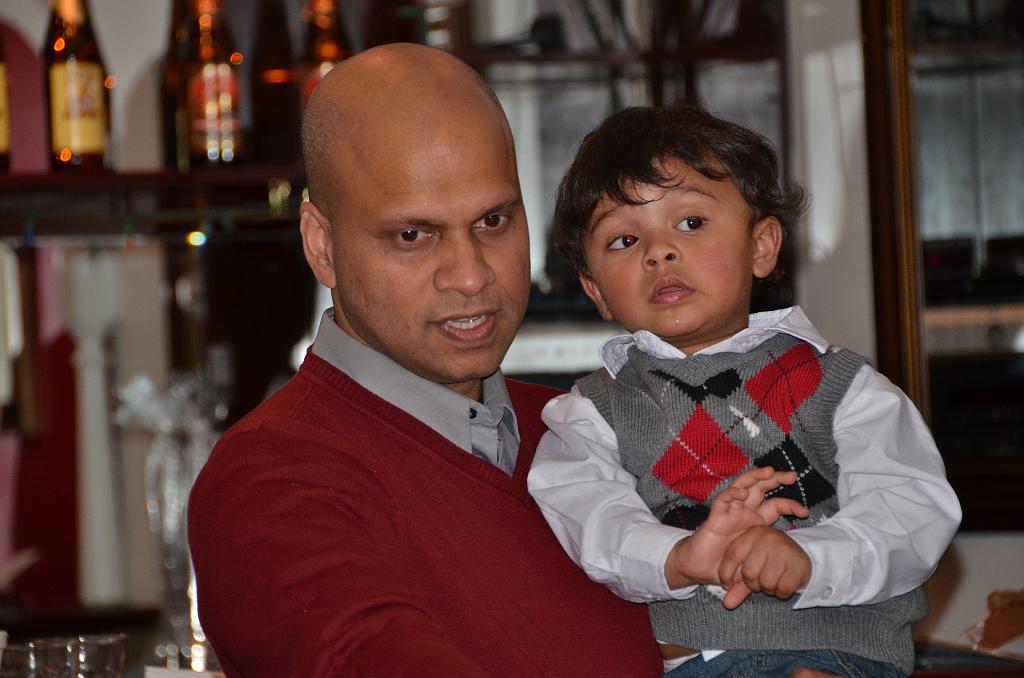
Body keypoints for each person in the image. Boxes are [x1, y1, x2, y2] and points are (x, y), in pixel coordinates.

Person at [187, 43, 664, 677]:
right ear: (321, 245)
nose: (470, 275)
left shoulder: (589, 427)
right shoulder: (270, 482)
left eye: (493, 221)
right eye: (413, 235)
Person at [527, 104, 962, 677]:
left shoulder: (839, 385)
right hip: (692, 664)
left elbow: (913, 509)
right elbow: (591, 520)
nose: (658, 252)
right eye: (624, 239)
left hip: (836, 657)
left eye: (690, 223)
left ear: (761, 246)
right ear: (596, 290)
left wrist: (810, 557)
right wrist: (680, 557)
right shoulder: (591, 414)